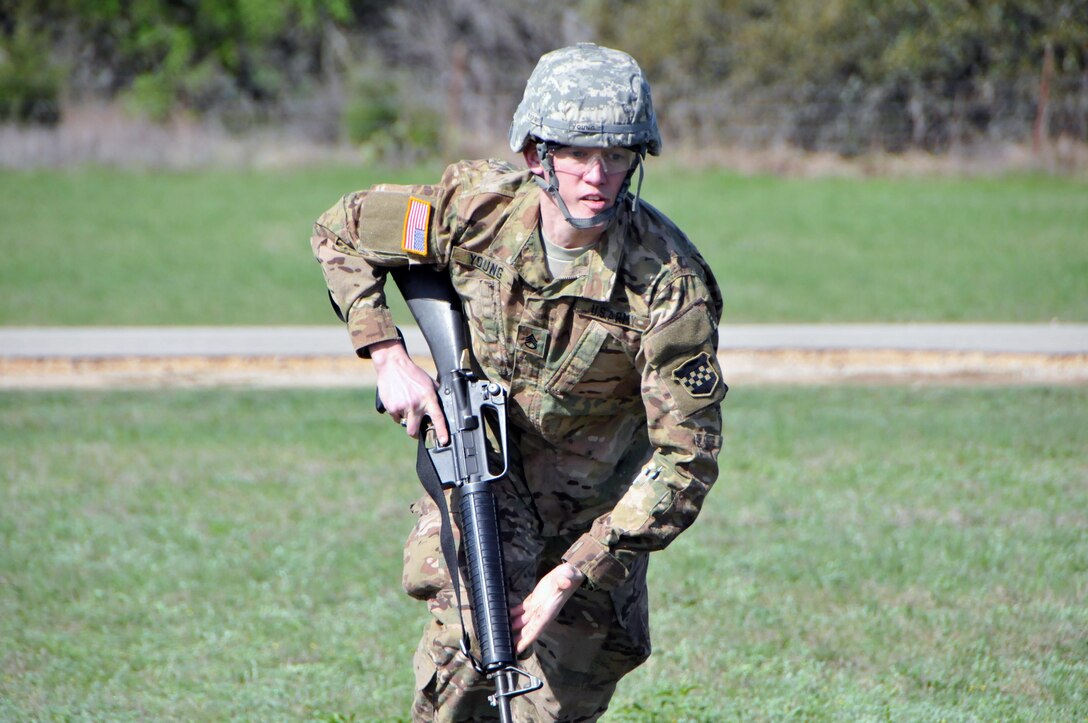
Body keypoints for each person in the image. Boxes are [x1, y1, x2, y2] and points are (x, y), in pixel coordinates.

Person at [311, 42, 726, 722]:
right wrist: (386, 352)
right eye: (576, 153)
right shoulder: (477, 211)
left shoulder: (669, 286)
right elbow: (342, 229)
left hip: (596, 528)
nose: (597, 175)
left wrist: (575, 571)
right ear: (537, 155)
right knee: (457, 691)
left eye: (617, 155)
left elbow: (687, 456)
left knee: (548, 711)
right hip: (480, 493)